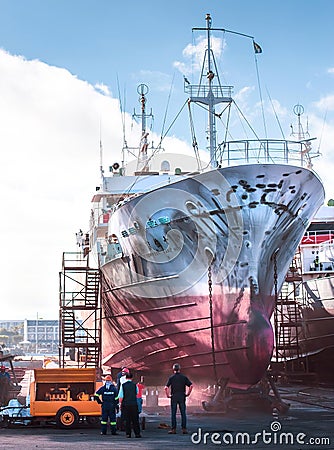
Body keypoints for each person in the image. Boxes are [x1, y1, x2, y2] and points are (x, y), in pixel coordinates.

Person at [164, 363, 193, 435]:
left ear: (173, 369)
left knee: (173, 413)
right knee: (183, 413)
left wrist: (168, 395)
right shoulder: (184, 377)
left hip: (174, 396)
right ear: (179, 369)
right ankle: (184, 429)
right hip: (182, 396)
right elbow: (191, 386)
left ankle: (173, 429)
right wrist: (188, 393)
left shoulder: (171, 378)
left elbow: (166, 387)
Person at [118, 371, 141, 438]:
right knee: (135, 420)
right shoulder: (135, 385)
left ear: (126, 378)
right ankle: (137, 433)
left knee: (127, 420)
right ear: (132, 378)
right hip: (134, 404)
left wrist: (120, 404)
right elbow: (136, 393)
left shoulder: (123, 385)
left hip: (126, 404)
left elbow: (121, 396)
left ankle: (128, 434)